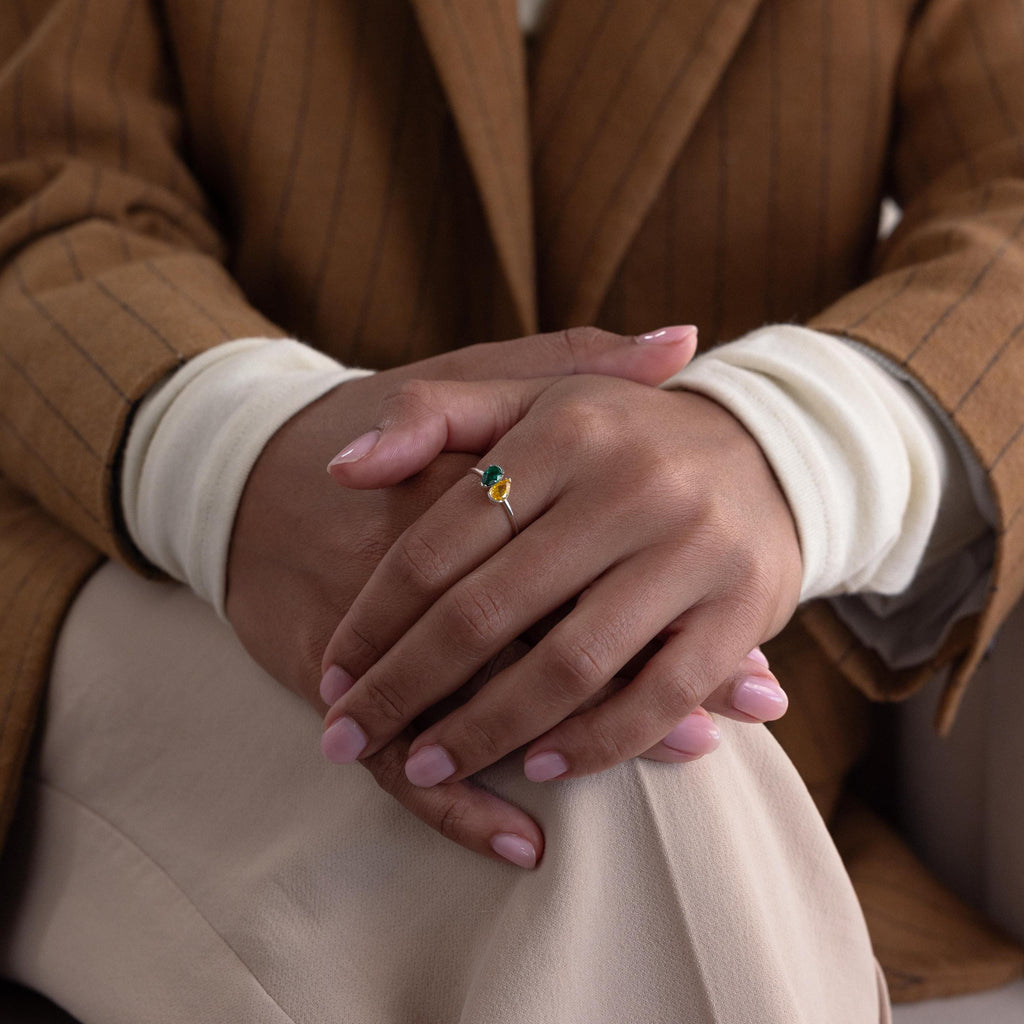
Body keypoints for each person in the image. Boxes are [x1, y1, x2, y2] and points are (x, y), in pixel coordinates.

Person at [0, 0, 1022, 1019]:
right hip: (165, 594)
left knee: (608, 708)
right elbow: (54, 183)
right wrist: (243, 450)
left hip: (798, 754)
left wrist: (795, 443)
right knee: (590, 761)